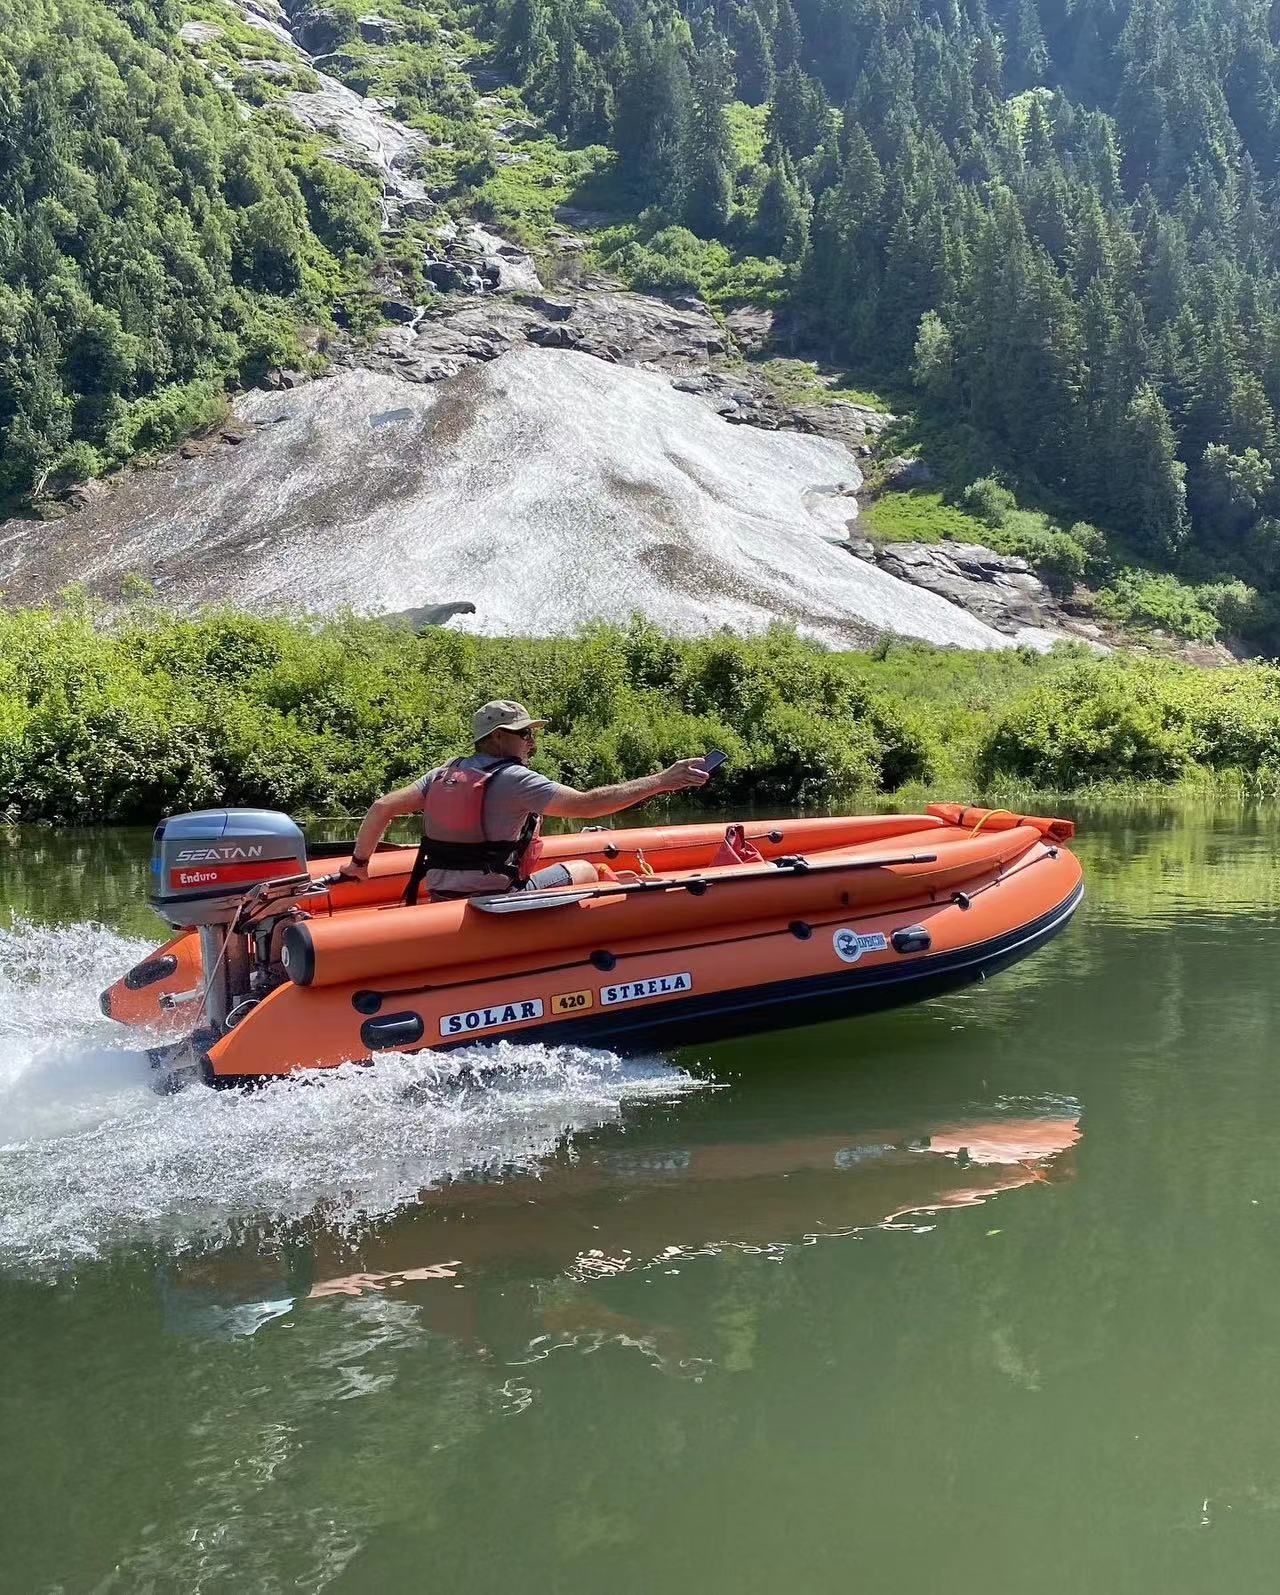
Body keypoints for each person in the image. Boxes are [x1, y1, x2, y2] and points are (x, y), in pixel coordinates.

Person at [338, 699, 710, 899]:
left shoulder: (442, 774)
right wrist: (662, 780)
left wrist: (359, 864)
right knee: (582, 868)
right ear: (498, 737)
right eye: (524, 735)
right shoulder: (515, 779)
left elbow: (382, 807)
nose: (532, 742)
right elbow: (586, 806)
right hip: (495, 894)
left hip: (440, 891)